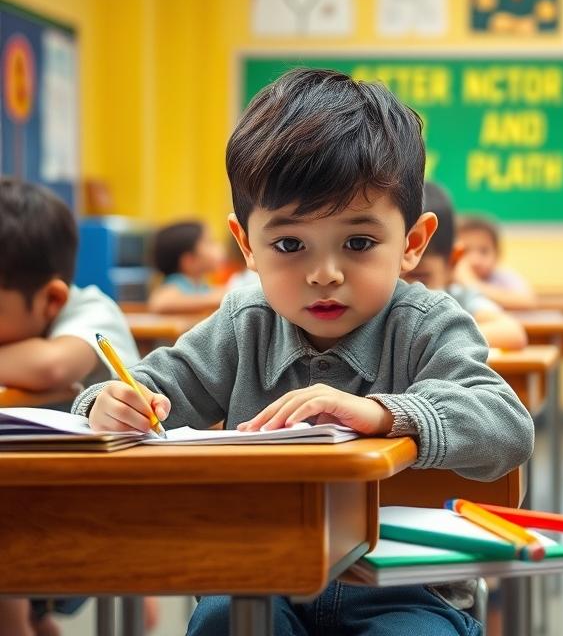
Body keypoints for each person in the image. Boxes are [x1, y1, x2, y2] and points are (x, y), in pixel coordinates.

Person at [77, 68, 534, 636]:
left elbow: (507, 424)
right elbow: (146, 390)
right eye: (290, 243)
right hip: (257, 579)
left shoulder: (428, 325)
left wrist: (387, 415)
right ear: (247, 245)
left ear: (412, 243)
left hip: (406, 593)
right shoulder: (243, 325)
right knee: (224, 624)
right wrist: (108, 404)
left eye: (359, 242)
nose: (324, 273)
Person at [0, 177, 143, 636]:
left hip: (109, 519)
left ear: (52, 300)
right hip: (36, 512)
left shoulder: (93, 312)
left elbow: (50, 366)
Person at [405, 184, 527, 350]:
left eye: (420, 279)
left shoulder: (459, 298)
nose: (407, 292)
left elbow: (512, 333)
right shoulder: (376, 306)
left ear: (453, 262)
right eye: (399, 279)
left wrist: (435, 340)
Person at [454, 214, 538, 311]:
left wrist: (472, 284)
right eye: (465, 251)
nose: (475, 260)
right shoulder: (449, 279)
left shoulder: (502, 277)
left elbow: (528, 301)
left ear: (497, 254)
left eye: (484, 251)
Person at [147, 220, 226, 314]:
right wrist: (218, 298)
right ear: (189, 260)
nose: (220, 247)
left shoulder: (200, 285)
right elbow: (160, 302)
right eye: (210, 242)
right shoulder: (178, 282)